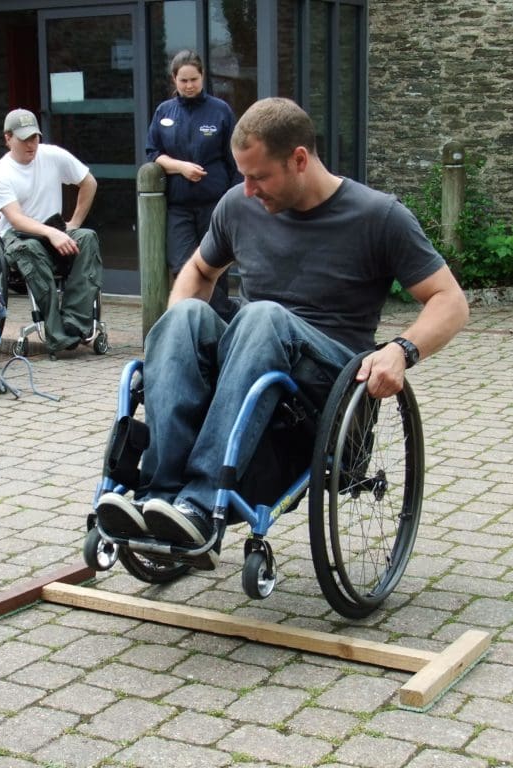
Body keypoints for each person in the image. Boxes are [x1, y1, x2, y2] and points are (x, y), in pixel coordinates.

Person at [96, 97, 469, 569]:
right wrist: (176, 341)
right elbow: (198, 270)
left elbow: (450, 301)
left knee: (261, 315)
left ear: (299, 159)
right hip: (252, 357)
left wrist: (402, 350)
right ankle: (163, 495)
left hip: (326, 381)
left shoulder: (379, 217)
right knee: (184, 316)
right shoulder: (238, 206)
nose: (247, 190)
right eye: (241, 176)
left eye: (259, 177)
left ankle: (203, 501)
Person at [0, 108, 103, 354]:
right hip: (20, 237)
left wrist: (74, 224)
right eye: (24, 139)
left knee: (87, 238)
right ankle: (55, 332)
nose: (31, 144)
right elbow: (16, 219)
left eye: (35, 137)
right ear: (8, 138)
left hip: (55, 229)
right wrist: (51, 234)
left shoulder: (52, 155)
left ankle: (75, 323)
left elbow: (88, 182)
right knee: (29, 250)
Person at [146, 49, 241, 317]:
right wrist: (180, 167)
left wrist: (234, 201)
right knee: (182, 266)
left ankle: (217, 327)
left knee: (215, 269)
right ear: (174, 79)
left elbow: (234, 160)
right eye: (183, 80)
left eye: (194, 80)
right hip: (179, 207)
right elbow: (153, 153)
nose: (189, 86)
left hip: (214, 205)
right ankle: (227, 316)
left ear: (203, 78)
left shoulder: (220, 111)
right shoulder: (164, 111)